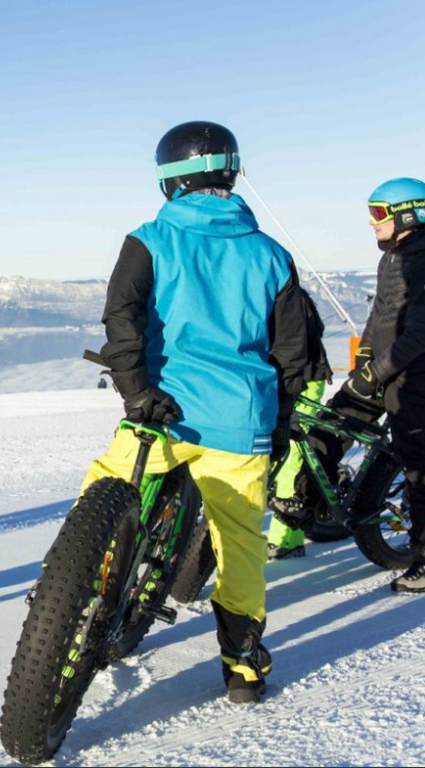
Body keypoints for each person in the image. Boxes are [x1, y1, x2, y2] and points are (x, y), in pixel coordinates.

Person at [87, 121, 309, 704]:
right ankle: (243, 664)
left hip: (161, 411)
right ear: (230, 174)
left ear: (170, 180)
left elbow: (121, 317)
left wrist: (135, 389)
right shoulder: (271, 254)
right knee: (239, 543)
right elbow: (292, 353)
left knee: (106, 488)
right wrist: (278, 426)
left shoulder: (149, 240)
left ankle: (78, 593)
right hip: (240, 420)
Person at [304, 178, 425, 593]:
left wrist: (377, 372)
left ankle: (423, 558)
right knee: (332, 423)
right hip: (384, 370)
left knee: (418, 469)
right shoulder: (392, 257)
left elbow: (418, 334)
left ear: (408, 214)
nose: (371, 222)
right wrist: (363, 365)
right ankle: (308, 505)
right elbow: (378, 318)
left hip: (415, 377)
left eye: (378, 213)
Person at [267, 288, 333, 560]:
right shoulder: (272, 292)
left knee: (290, 459)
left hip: (304, 381)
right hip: (282, 382)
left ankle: (287, 540)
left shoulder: (289, 296)